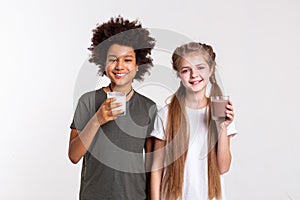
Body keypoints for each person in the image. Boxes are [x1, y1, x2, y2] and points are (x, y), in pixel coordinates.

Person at [68, 16, 157, 200]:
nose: (119, 66)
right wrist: (97, 120)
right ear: (103, 62)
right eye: (113, 59)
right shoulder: (89, 101)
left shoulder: (148, 107)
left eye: (127, 60)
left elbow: (151, 166)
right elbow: (74, 156)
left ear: (137, 64)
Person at [150, 42, 237, 200]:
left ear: (210, 70)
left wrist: (222, 128)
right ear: (179, 75)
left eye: (200, 68)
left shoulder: (221, 112)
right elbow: (156, 167)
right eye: (186, 70)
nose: (194, 74)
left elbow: (223, 168)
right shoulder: (166, 114)